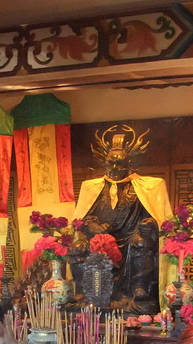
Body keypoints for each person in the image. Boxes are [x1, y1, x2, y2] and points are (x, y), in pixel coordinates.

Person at [72, 124, 172, 312]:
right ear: (104, 163)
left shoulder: (146, 187)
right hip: (99, 243)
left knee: (142, 243)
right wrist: (91, 224)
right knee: (77, 247)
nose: (115, 167)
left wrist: (147, 224)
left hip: (131, 241)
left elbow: (158, 219)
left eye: (120, 163)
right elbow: (80, 220)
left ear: (130, 164)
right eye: (111, 163)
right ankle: (83, 292)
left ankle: (138, 289)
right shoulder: (92, 187)